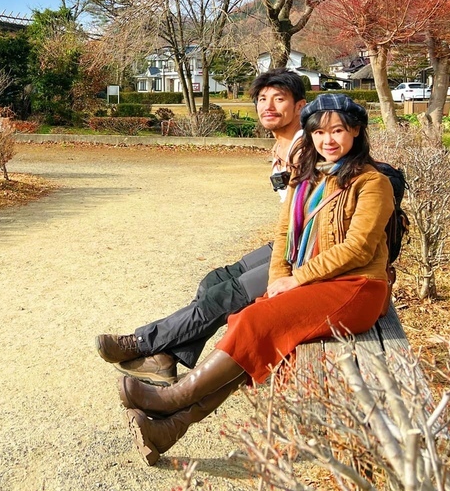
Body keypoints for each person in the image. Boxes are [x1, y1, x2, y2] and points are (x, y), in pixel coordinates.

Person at [119, 93, 394, 465]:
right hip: (314, 283)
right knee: (249, 329)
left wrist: (297, 279)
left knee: (253, 321)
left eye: (338, 130)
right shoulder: (307, 180)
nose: (328, 140)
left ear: (356, 132)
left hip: (356, 288)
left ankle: (173, 399)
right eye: (319, 132)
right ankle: (171, 427)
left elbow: (359, 249)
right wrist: (279, 275)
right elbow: (283, 238)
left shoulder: (371, 182)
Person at [95, 69, 306, 387]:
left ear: (300, 107)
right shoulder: (282, 149)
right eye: (262, 99)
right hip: (289, 242)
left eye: (279, 99)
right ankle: (165, 361)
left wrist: (287, 266)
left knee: (223, 296)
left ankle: (142, 344)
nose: (269, 106)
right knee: (214, 281)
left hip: (307, 254)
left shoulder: (306, 148)